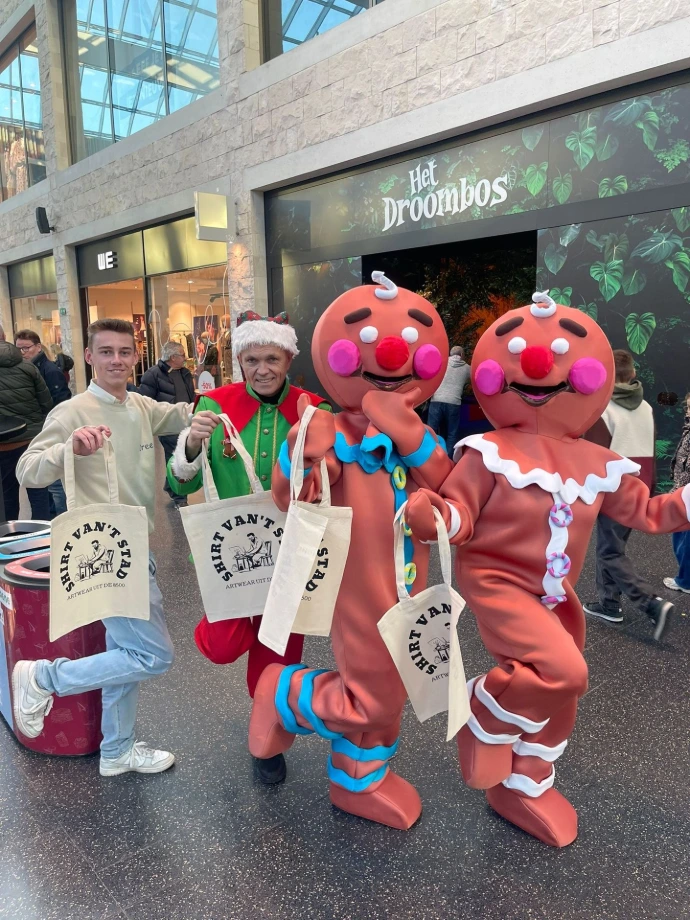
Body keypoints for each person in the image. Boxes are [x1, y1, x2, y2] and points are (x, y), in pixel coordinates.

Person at [403, 294, 687, 848]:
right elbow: (458, 516)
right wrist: (429, 513)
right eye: (522, 355)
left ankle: (525, 783)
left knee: (560, 698)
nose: (538, 368)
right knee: (566, 670)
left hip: (556, 597)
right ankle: (481, 712)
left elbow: (650, 513)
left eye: (560, 355)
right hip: (497, 584)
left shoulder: (595, 461)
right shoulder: (486, 452)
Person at [248, 273, 453, 828]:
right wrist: (304, 463)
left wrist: (404, 433)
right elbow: (293, 494)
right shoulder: (326, 429)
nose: (390, 353)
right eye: (368, 339)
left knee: (399, 683)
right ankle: (286, 691)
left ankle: (358, 781)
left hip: (411, 579)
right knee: (374, 696)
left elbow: (449, 486)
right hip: (356, 583)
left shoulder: (420, 433)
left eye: (412, 343)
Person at [12, 318, 192, 777]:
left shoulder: (139, 405)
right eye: (106, 351)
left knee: (126, 652)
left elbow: (181, 414)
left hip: (136, 544)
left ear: (136, 357)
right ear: (89, 357)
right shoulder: (72, 411)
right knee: (151, 655)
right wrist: (68, 450)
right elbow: (27, 470)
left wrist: (214, 409)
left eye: (125, 351)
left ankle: (116, 750)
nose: (117, 360)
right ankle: (43, 677)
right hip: (103, 554)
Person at [168, 312, 329, 785]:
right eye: (253, 359)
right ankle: (263, 700)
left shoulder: (314, 409)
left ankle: (268, 741)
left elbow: (336, 474)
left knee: (276, 655)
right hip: (231, 556)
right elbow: (180, 481)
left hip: (292, 552)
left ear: (289, 360)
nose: (263, 368)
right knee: (221, 647)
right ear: (239, 360)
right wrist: (190, 448)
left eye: (272, 359)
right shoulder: (211, 406)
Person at [582, 349, 673, 629]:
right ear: (633, 374)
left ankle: (650, 604)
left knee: (610, 551)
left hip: (614, 489)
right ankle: (609, 603)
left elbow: (594, 456)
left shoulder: (603, 409)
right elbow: (651, 450)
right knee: (612, 547)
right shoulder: (646, 408)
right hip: (640, 485)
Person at [15, 329, 72, 517]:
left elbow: (62, 402)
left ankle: (61, 521)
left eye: (26, 348)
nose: (23, 352)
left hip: (50, 433)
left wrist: (51, 423)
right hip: (36, 433)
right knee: (44, 487)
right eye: (19, 348)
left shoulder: (49, 370)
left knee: (55, 487)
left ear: (38, 347)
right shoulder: (24, 370)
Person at [139, 341, 195, 509]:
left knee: (178, 457)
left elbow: (191, 395)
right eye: (182, 355)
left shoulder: (185, 373)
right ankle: (180, 498)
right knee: (179, 457)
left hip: (186, 420)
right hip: (168, 424)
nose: (185, 358)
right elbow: (145, 402)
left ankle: (170, 487)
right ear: (173, 357)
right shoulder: (152, 374)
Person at [0, 340, 53, 520]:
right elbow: (46, 402)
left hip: (4, 443)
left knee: (8, 494)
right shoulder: (27, 366)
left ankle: (10, 540)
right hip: (32, 439)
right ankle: (43, 539)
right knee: (38, 491)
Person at [665, 393, 690, 594]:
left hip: (686, 494)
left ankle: (685, 581)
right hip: (682, 491)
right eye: (687, 406)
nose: (688, 411)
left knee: (684, 539)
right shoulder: (688, 429)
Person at [428, 345, 472, 457]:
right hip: (454, 402)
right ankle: (447, 459)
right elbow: (476, 378)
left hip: (436, 399)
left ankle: (429, 456)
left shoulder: (441, 363)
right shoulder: (467, 368)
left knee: (431, 430)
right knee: (452, 432)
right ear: (462, 355)